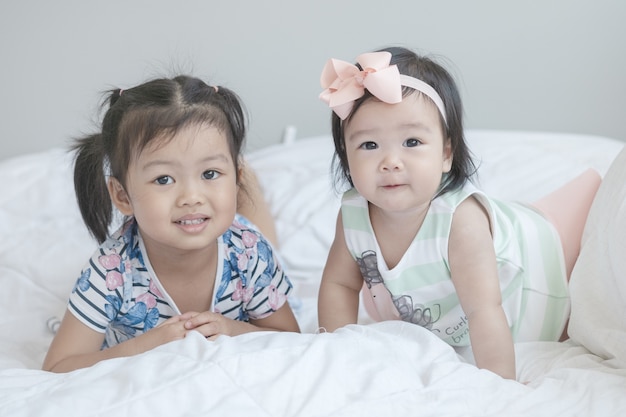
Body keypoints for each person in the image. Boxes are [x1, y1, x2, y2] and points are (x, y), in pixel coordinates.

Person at [316, 46, 601, 380]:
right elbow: (339, 285)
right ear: (346, 158)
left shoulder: (459, 219)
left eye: (411, 142)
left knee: (587, 307)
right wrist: (333, 355)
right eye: (368, 145)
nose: (390, 161)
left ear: (446, 153)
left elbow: (483, 310)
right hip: (448, 318)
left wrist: (498, 383)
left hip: (531, 286)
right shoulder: (352, 215)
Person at [43, 75, 300, 373]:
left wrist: (235, 330)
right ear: (122, 196)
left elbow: (290, 338)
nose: (191, 197)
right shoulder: (111, 271)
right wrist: (144, 346)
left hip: (243, 235)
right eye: (164, 179)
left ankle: (247, 180)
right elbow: (56, 368)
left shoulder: (249, 252)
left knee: (264, 237)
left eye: (210, 173)